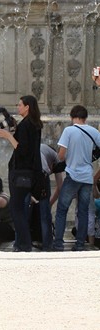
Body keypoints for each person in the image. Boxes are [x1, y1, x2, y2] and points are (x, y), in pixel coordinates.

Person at [0, 95, 43, 253]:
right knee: (20, 209)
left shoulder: (27, 125)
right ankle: (23, 243)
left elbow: (22, 149)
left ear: (27, 107)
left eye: (20, 105)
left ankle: (24, 244)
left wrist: (8, 135)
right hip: (30, 172)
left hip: (20, 171)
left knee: (16, 209)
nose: (18, 107)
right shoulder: (34, 124)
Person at [53, 105, 100, 251]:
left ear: (72, 116)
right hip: (87, 177)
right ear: (85, 117)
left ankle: (58, 243)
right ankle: (80, 244)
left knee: (61, 209)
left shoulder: (69, 130)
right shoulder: (94, 131)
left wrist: (60, 161)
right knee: (83, 211)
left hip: (73, 175)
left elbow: (61, 155)